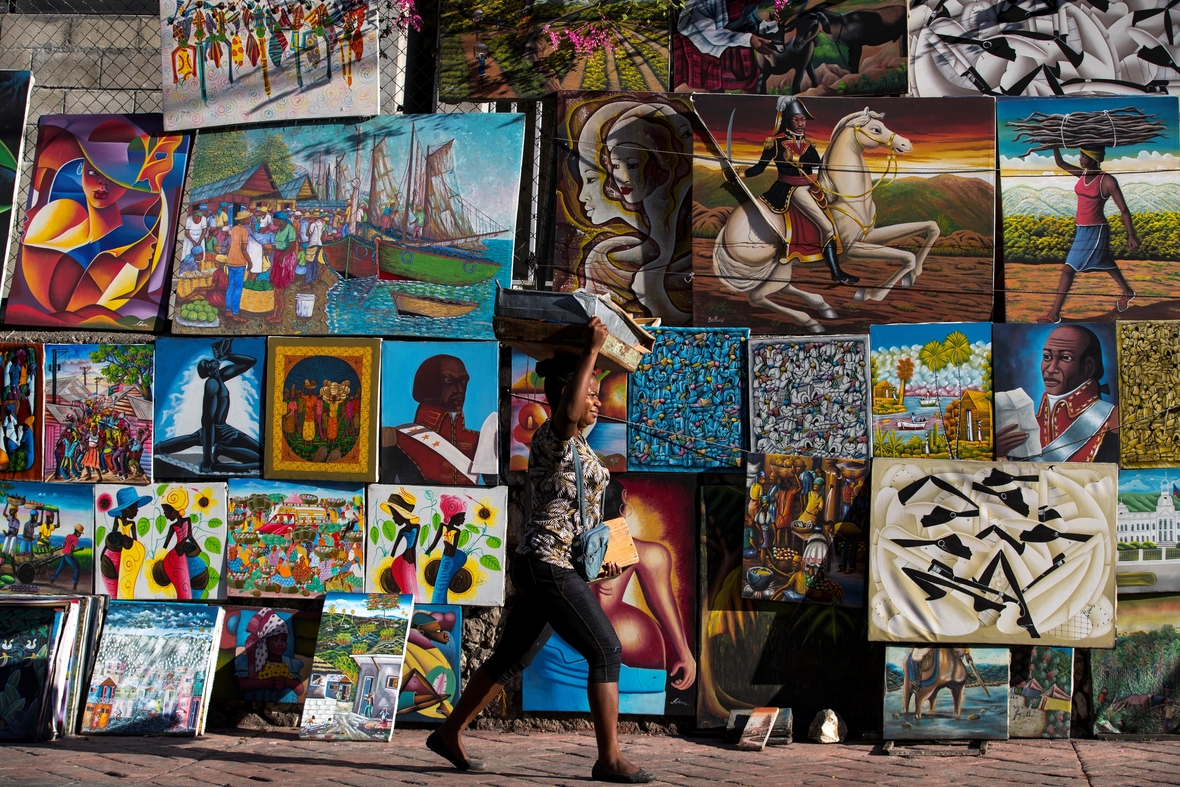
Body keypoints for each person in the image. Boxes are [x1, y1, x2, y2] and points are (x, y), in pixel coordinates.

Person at [427, 318, 653, 784]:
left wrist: (604, 556)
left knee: (511, 657)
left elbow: (584, 515)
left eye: (596, 394)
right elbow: (569, 413)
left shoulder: (584, 452)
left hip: (552, 564)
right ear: (567, 393)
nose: (596, 399)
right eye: (590, 391)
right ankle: (608, 759)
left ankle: (449, 733)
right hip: (547, 563)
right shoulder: (553, 437)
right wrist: (591, 348)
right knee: (606, 649)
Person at [743, 96, 858, 285]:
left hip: (811, 187)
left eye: (803, 119)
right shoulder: (775, 143)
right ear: (788, 121)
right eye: (796, 119)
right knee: (827, 227)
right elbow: (760, 167)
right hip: (791, 189)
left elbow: (818, 166)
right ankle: (836, 273)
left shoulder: (809, 145)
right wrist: (741, 173)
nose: (800, 123)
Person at [1039, 146, 1138, 323]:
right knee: (1105, 261)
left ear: (1094, 159)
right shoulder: (1083, 174)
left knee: (1068, 270)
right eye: (1080, 155)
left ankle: (1054, 314)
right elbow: (1060, 163)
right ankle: (1127, 291)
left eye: (1084, 156)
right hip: (1081, 228)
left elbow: (1123, 210)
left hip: (1096, 230)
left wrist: (1131, 235)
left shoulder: (1107, 181)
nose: (1080, 159)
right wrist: (1054, 145)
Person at [996, 325, 1119, 462]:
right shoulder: (1029, 424)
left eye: (1065, 358)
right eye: (1047, 357)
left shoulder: (1113, 421)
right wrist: (1000, 454)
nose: (1051, 369)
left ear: (1088, 367)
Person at [381, 355, 496, 486]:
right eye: (448, 380)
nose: (460, 390)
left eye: (463, 382)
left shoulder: (481, 441)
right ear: (427, 384)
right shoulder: (395, 438)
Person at [155, 338, 260, 474]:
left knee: (192, 439)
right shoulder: (212, 384)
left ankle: (221, 450)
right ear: (210, 371)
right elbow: (207, 421)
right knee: (259, 460)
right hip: (217, 431)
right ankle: (218, 461)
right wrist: (207, 458)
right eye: (208, 364)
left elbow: (249, 362)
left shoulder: (220, 377)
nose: (211, 361)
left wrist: (227, 356)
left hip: (224, 429)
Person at [675, 0, 779, 92]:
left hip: (739, 43)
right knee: (707, 93)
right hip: (704, 47)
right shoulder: (702, 3)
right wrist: (748, 39)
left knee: (749, 81)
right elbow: (711, 34)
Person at [224, 208, 252, 322]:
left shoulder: (234, 229)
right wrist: (250, 261)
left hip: (230, 261)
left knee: (231, 285)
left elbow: (232, 245)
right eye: (248, 218)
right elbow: (243, 249)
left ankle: (228, 310)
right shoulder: (244, 231)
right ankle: (236, 313)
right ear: (244, 219)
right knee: (238, 288)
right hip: (239, 262)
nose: (249, 219)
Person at [51, 524, 85, 590]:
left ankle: (52, 580)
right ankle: (75, 586)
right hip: (68, 556)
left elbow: (64, 545)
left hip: (64, 554)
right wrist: (79, 549)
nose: (80, 535)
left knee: (60, 567)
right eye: (80, 533)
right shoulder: (75, 539)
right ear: (77, 532)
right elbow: (71, 550)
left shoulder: (68, 536)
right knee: (76, 567)